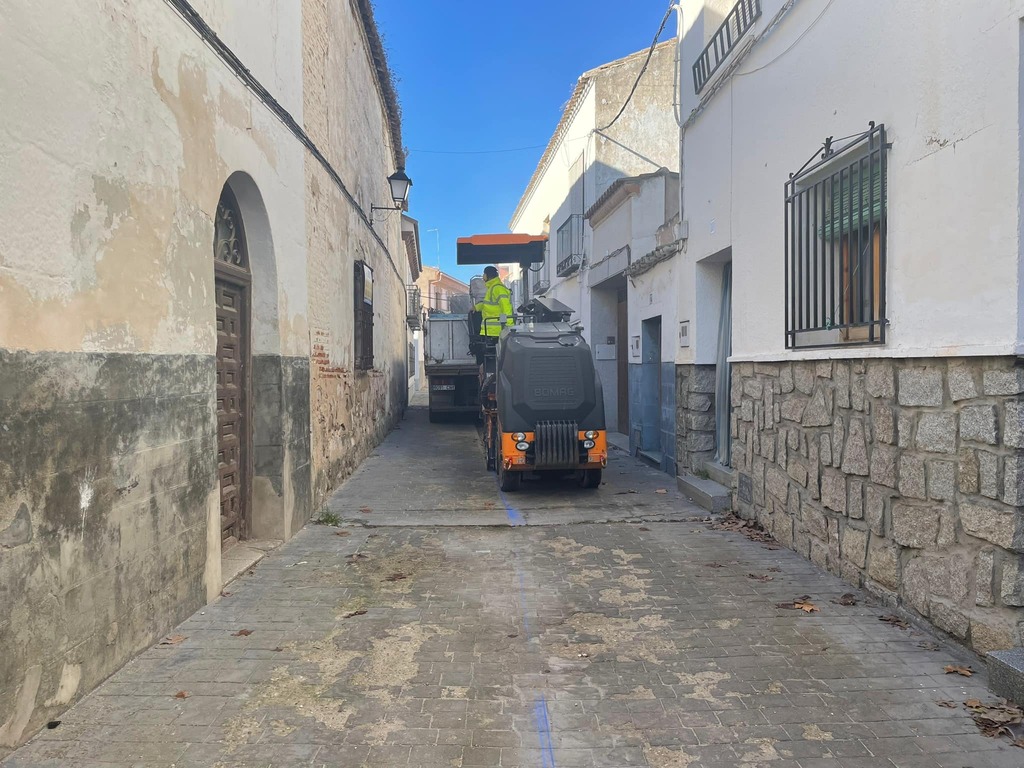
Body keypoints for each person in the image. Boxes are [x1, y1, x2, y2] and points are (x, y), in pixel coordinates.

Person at [474, 266, 514, 339]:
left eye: (483, 274)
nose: (482, 277)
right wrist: (476, 307)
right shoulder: (492, 288)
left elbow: (506, 307)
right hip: (492, 331)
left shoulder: (498, 288)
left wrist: (509, 327)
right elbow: (488, 304)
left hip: (495, 332)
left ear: (486, 275)